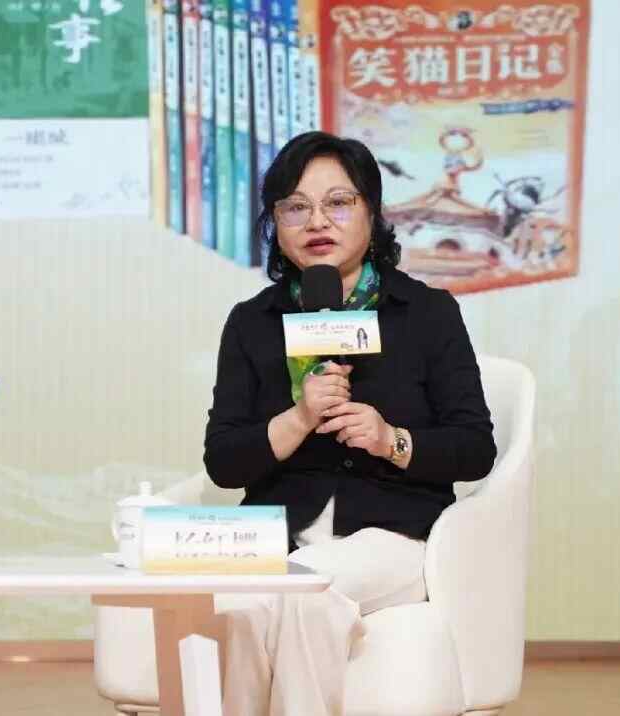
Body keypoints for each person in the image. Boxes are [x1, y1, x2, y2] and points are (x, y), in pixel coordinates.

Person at [203, 131, 497, 715]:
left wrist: (391, 441)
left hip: (393, 534)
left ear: (371, 211)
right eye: (295, 207)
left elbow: (474, 447)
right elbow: (224, 463)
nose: (317, 221)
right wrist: (298, 417)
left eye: (338, 202)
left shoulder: (427, 313)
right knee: (241, 607)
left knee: (301, 589)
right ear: (275, 224)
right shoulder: (252, 322)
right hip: (279, 533)